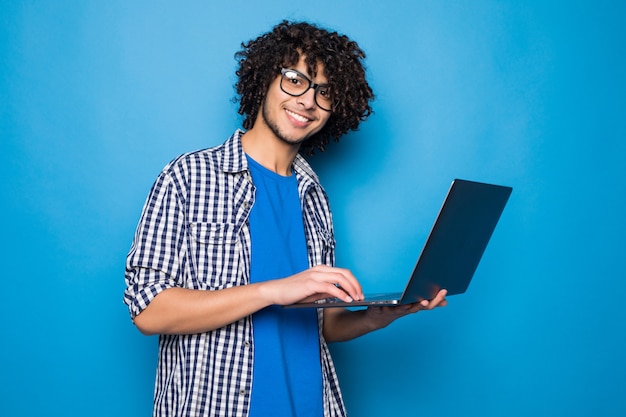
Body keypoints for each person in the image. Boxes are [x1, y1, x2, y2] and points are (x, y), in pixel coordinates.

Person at [124, 20, 447, 417]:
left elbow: (324, 325)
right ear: (264, 79)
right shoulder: (188, 176)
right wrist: (273, 290)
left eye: (324, 91)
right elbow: (148, 309)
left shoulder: (314, 196)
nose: (308, 100)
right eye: (295, 79)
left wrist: (376, 317)